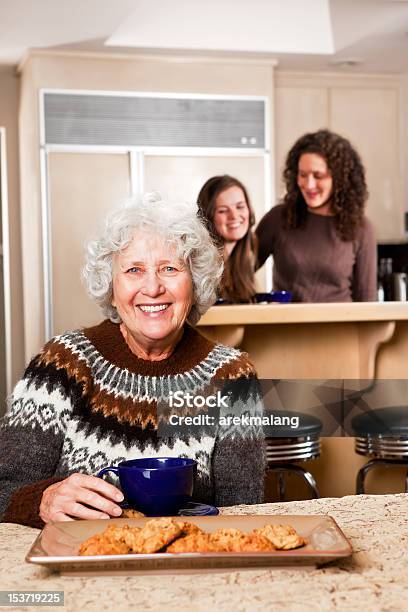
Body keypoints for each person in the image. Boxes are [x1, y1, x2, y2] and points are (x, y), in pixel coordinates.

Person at [0, 193, 265, 528]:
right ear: (112, 287)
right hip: (77, 563)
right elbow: (3, 491)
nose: (152, 288)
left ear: (195, 284)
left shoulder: (232, 376)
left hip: (185, 566)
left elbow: (242, 517)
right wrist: (42, 499)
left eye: (170, 268)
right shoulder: (61, 363)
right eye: (134, 270)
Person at [256, 129, 377, 302]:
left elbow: (367, 301)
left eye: (318, 176)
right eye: (302, 175)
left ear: (340, 179)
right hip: (285, 327)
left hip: (341, 327)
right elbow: (240, 272)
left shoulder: (361, 229)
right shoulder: (278, 218)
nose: (308, 184)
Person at [197, 175, 257, 303]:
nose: (234, 216)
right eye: (223, 211)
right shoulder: (200, 266)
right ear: (207, 216)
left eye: (240, 207)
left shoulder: (244, 259)